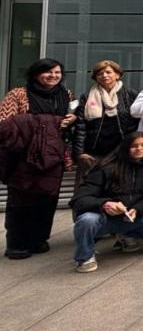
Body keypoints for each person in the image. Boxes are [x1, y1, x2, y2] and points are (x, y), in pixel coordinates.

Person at [0, 58, 76, 260]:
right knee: (21, 200)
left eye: (57, 73)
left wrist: (71, 121)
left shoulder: (66, 96)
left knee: (48, 198)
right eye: (48, 72)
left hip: (53, 156)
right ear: (35, 74)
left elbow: (71, 123)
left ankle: (39, 239)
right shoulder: (18, 94)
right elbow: (5, 123)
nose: (53, 76)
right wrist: (46, 123)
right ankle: (17, 243)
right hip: (23, 156)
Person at [70, 132, 143, 272]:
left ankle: (126, 235)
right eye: (134, 146)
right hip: (103, 216)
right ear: (125, 148)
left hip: (129, 215)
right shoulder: (106, 167)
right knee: (87, 220)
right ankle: (84, 257)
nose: (139, 149)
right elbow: (78, 199)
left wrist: (138, 209)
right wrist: (105, 203)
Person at [72, 60, 140, 184]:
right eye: (100, 73)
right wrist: (79, 153)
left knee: (119, 188)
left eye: (109, 72)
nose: (104, 76)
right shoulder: (87, 97)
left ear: (117, 75)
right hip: (94, 152)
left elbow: (138, 124)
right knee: (88, 188)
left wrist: (134, 148)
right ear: (95, 77)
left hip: (121, 152)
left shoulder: (130, 94)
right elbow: (80, 126)